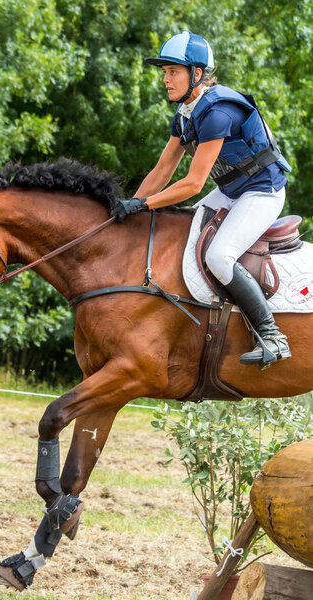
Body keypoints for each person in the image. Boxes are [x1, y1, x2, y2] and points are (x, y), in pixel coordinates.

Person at [113, 31, 292, 368]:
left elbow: (193, 184)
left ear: (196, 74)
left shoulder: (217, 112)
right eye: (164, 72)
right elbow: (163, 170)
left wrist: (145, 205)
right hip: (230, 190)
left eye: (173, 71)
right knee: (179, 237)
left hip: (262, 192)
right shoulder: (185, 113)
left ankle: (272, 336)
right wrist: (130, 206)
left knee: (219, 257)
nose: (165, 79)